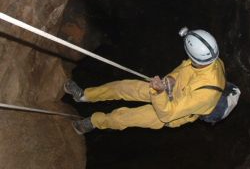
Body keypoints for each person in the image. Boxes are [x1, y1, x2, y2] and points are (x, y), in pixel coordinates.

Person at [65, 27, 226, 135]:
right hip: (169, 90)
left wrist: (160, 92)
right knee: (122, 87)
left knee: (123, 118)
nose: (188, 59)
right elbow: (186, 67)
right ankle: (84, 96)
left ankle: (93, 122)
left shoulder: (206, 94)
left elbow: (168, 113)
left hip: (170, 112)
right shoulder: (212, 60)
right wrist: (171, 78)